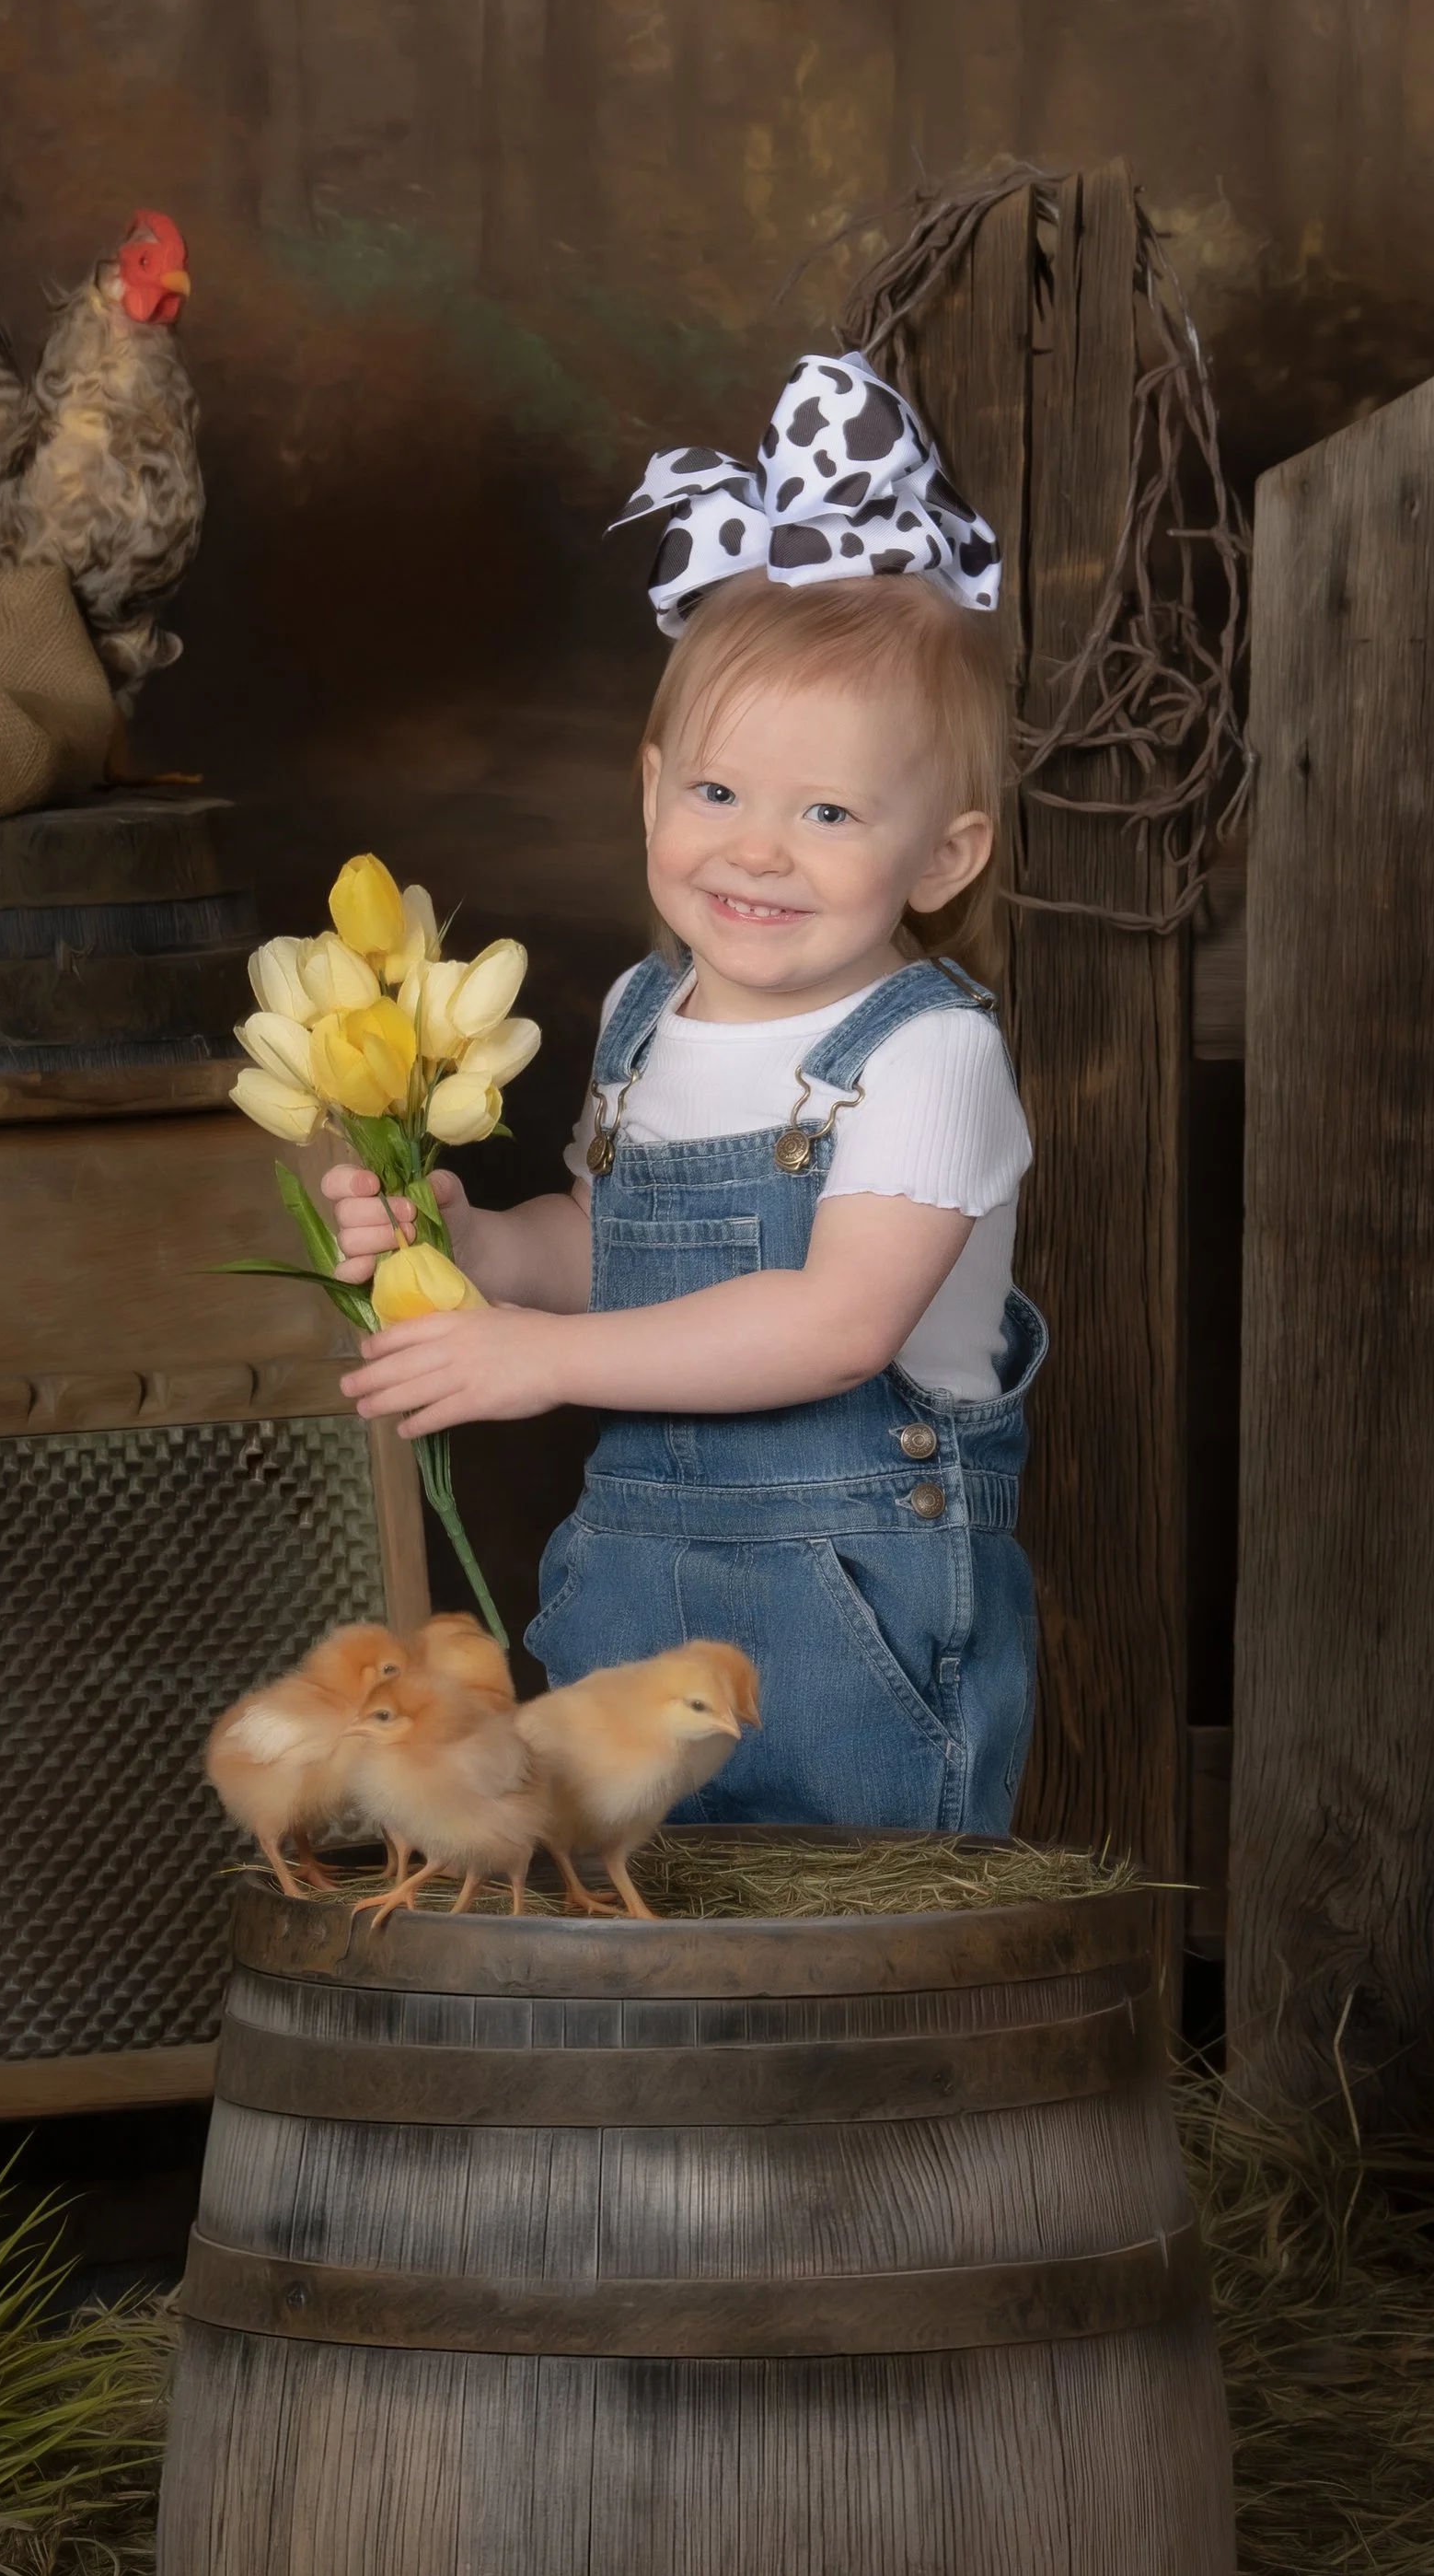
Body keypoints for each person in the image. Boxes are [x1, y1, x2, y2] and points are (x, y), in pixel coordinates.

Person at [325, 350, 1045, 1831]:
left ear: (945, 856)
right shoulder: (646, 1017)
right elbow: (617, 1250)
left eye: (829, 813)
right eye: (716, 793)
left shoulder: (930, 1055)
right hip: (635, 1608)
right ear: (653, 785)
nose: (755, 850)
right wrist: (470, 1255)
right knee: (642, 1978)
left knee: (841, 1979)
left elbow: (835, 1328)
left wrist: (533, 1359)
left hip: (851, 1628)